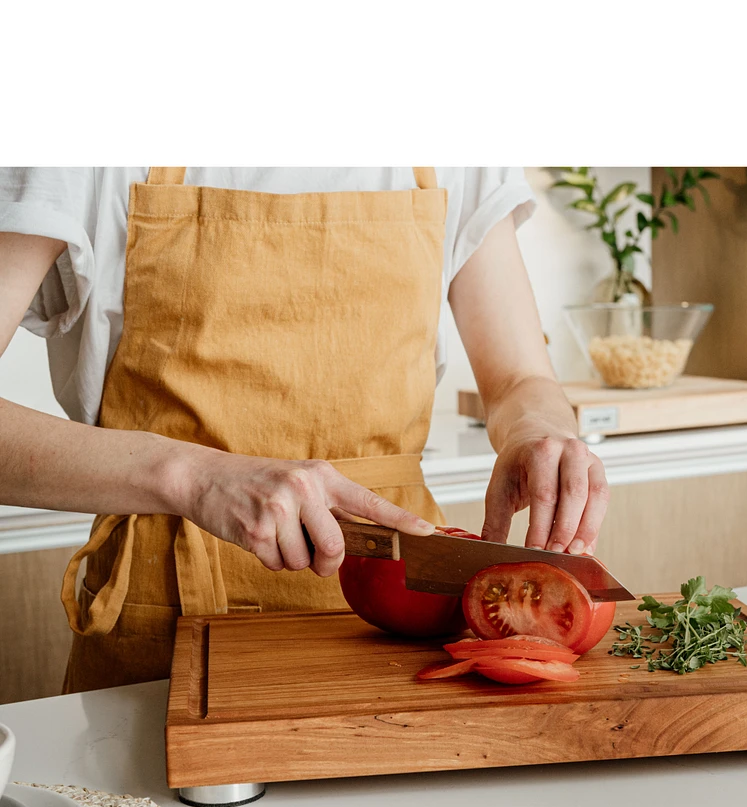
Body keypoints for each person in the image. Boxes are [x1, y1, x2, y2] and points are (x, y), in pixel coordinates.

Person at [0, 167, 610, 693]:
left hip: (406, 626)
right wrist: (191, 477)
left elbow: (520, 378)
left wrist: (538, 429)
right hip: (167, 633)